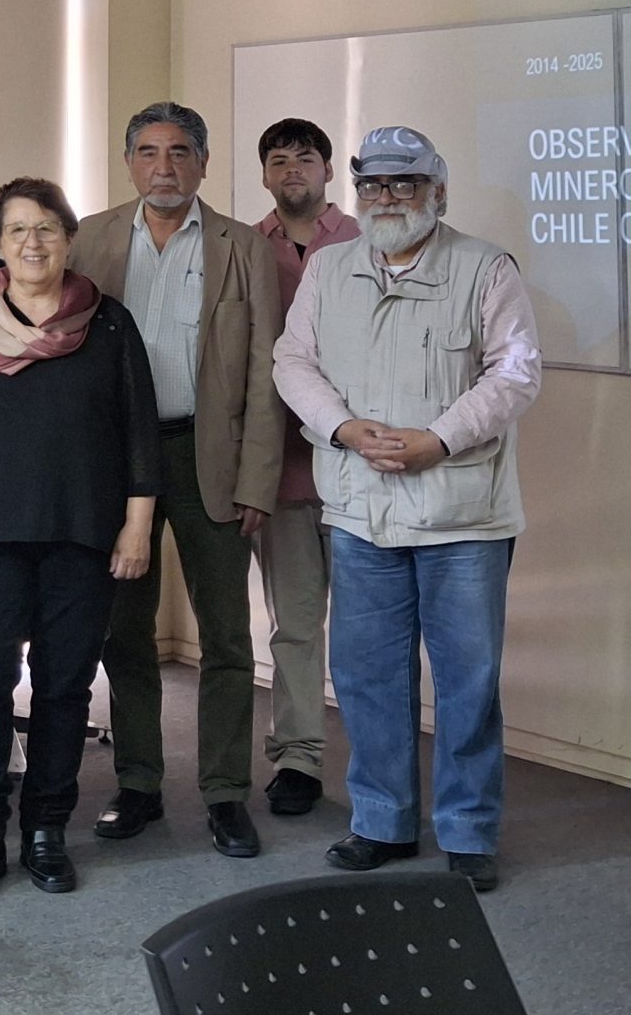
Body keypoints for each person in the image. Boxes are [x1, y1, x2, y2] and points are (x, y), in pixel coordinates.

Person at [272, 127, 542, 893]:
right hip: (362, 511)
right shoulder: (330, 269)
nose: (386, 198)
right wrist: (343, 428)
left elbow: (516, 372)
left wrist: (439, 439)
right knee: (366, 678)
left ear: (437, 192)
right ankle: (382, 822)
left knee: (467, 683)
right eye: (374, 186)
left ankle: (468, 831)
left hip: (464, 514)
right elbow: (292, 361)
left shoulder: (485, 267)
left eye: (404, 184)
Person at [0, 178, 157, 900]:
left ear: (68, 237)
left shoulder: (108, 324)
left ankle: (47, 830)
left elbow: (139, 434)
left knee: (64, 687)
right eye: (18, 229)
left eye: (47, 227)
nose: (33, 242)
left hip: (82, 534)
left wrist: (137, 526)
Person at [71, 102, 282, 859]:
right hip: (116, 461)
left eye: (181, 152)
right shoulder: (90, 239)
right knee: (123, 629)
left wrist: (258, 479)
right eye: (150, 152)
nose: (165, 167)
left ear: (203, 163)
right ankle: (138, 782)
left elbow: (265, 370)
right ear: (129, 162)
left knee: (225, 635)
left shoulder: (242, 246)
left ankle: (225, 793)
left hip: (208, 456)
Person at [250, 115, 362, 819]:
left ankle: (377, 762)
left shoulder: (363, 239)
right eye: (279, 159)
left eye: (305, 158)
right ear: (265, 173)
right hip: (283, 469)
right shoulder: (243, 248)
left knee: (366, 628)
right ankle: (297, 757)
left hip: (361, 469)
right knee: (293, 625)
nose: (292, 170)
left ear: (327, 169)